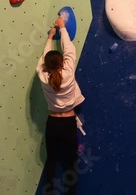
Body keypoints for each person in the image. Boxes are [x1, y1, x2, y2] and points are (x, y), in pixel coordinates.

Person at [36, 16, 85, 195]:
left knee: (52, 160)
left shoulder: (43, 76)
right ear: (63, 63)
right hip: (68, 123)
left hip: (53, 124)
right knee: (70, 161)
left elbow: (43, 60)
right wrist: (62, 28)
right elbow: (69, 49)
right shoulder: (69, 72)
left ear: (46, 66)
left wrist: (50, 37)